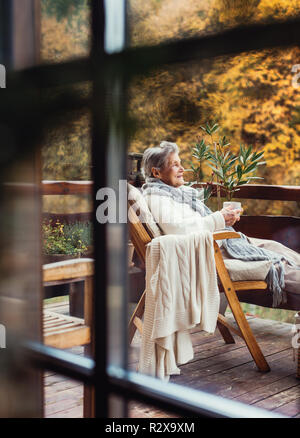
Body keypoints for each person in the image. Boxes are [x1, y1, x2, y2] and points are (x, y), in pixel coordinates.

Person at [141, 141, 300, 308]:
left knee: (275, 248)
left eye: (180, 163)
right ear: (156, 173)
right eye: (175, 165)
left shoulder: (175, 194)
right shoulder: (157, 198)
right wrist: (219, 219)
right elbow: (178, 230)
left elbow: (190, 224)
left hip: (223, 243)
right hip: (211, 253)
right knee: (280, 265)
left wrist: (223, 221)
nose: (182, 169)